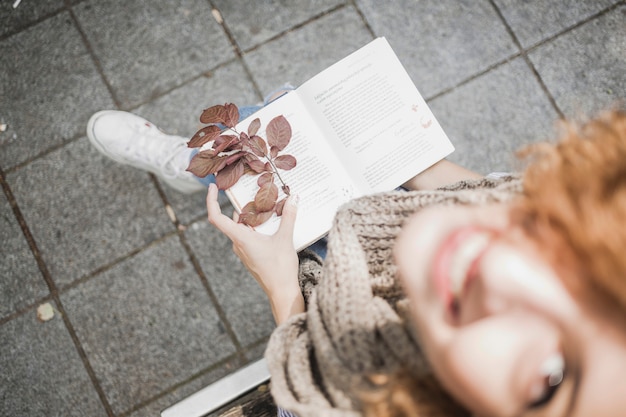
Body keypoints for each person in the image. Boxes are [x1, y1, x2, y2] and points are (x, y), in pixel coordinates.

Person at [88, 101, 626, 416]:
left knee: (258, 172)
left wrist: (281, 286)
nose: (501, 265)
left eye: (551, 377)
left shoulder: (339, 401)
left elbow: (302, 391)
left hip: (314, 299)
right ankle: (200, 162)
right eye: (600, 258)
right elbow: (501, 194)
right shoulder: (518, 219)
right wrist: (416, 163)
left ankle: (194, 165)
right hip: (380, 221)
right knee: (270, 118)